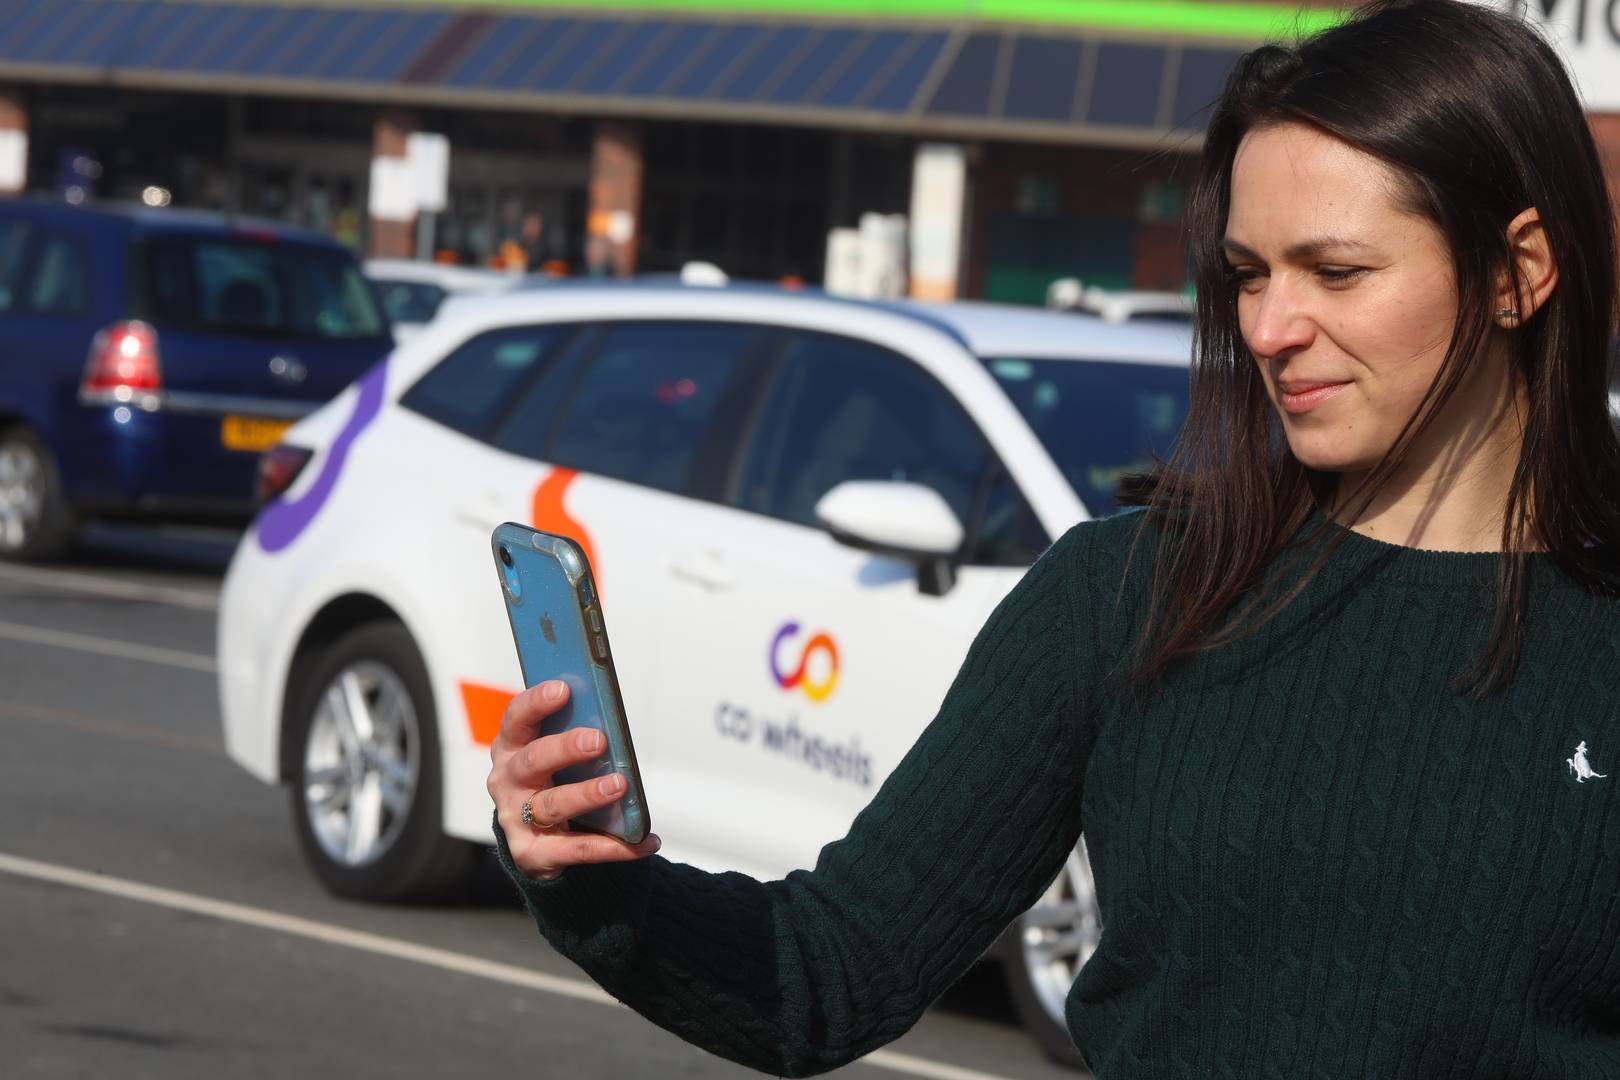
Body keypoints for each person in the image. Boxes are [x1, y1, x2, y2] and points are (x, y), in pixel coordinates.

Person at [486, 1, 1620, 1075]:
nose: (1271, 328)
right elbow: (827, 967)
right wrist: (599, 889)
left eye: (1336, 271)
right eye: (1246, 275)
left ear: (1519, 273)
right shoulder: (1125, 596)